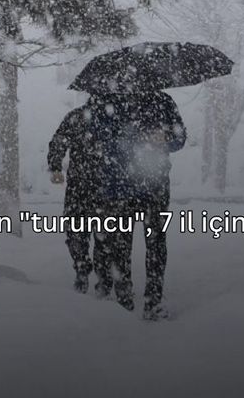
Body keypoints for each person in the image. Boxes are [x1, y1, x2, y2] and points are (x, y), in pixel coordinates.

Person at [90, 90, 186, 321]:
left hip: (154, 185)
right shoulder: (108, 102)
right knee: (121, 246)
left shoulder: (163, 101)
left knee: (156, 244)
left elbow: (180, 137)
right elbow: (96, 137)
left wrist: (165, 138)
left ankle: (153, 301)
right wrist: (129, 138)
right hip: (121, 186)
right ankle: (125, 301)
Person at [47, 99, 104, 294]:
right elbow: (59, 141)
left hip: (84, 185)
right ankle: (94, 273)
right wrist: (55, 166)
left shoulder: (77, 116)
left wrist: (56, 166)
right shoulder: (85, 117)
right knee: (98, 234)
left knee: (79, 231)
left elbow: (59, 141)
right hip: (97, 185)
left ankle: (86, 270)